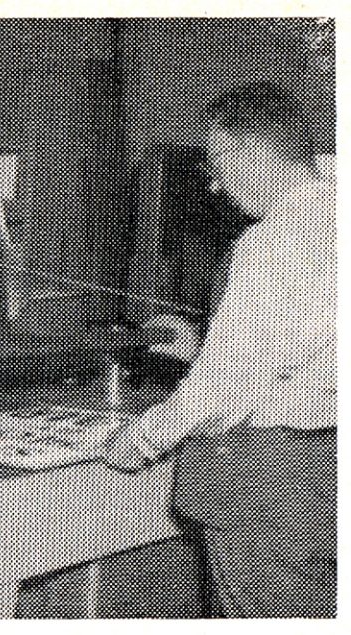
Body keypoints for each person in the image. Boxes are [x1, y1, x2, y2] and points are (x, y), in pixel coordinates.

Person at [95, 81, 336, 618]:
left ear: (250, 150)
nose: (216, 182)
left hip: (276, 481)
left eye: (218, 160)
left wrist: (141, 436)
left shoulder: (269, 244)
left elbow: (225, 386)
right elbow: (302, 345)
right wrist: (206, 342)